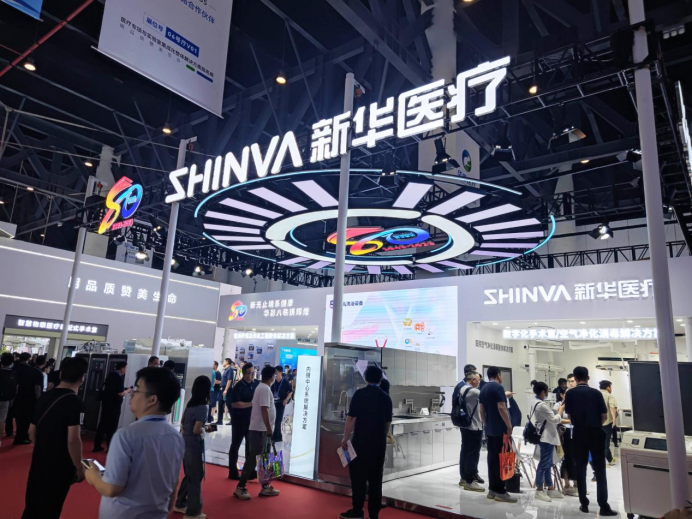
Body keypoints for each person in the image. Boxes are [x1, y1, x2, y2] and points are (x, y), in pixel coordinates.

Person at [85, 367, 185, 518]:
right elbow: (173, 483)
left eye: (137, 390)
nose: (132, 393)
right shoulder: (175, 437)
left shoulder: (126, 435)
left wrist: (93, 475)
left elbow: (111, 489)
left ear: (152, 400)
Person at [22, 356, 88, 519]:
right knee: (51, 505)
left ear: (60, 374)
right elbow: (73, 439)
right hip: (60, 464)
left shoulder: (45, 396)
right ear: (82, 379)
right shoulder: (75, 402)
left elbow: (31, 430)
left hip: (39, 459)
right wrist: (80, 467)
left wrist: (42, 447)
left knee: (33, 503)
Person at [339, 365, 392, 519]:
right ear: (380, 379)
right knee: (376, 478)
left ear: (365, 378)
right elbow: (388, 421)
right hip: (378, 443)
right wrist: (383, 435)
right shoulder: (385, 397)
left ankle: (357, 511)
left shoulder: (359, 394)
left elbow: (351, 418)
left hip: (360, 441)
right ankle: (374, 514)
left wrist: (345, 437)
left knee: (358, 477)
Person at [564, 366, 618, 516]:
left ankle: (584, 504)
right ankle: (604, 505)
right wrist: (596, 426)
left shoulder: (570, 394)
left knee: (580, 469)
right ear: (588, 378)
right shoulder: (596, 393)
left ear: (575, 378)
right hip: (595, 433)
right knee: (600, 470)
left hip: (578, 434)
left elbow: (569, 417)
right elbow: (604, 416)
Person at [233, 365, 279, 500]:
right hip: (260, 429)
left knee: (263, 458)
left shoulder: (262, 387)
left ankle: (265, 486)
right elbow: (264, 409)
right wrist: (269, 428)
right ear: (272, 377)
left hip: (262, 429)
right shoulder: (264, 389)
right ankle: (240, 487)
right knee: (253, 459)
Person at [173, 375, 211, 519]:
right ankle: (193, 511)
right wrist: (205, 429)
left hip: (184, 441)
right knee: (196, 476)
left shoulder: (190, 404)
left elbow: (183, 422)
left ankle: (180, 502)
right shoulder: (202, 407)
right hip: (193, 443)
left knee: (190, 473)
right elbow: (196, 430)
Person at [479, 366, 516, 503]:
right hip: (501, 430)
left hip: (490, 430)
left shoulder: (483, 389)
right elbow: (501, 407)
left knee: (492, 459)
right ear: (499, 375)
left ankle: (492, 490)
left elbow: (481, 410)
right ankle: (500, 491)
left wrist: (486, 424)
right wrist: (509, 426)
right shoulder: (498, 388)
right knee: (502, 460)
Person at [530, 380, 565, 503]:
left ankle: (550, 487)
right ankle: (539, 489)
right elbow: (554, 419)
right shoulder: (542, 405)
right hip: (546, 437)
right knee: (544, 463)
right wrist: (560, 411)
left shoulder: (534, 402)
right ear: (543, 392)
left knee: (548, 462)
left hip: (544, 436)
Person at [228, 363, 259, 480]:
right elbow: (235, 404)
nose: (252, 375)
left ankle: (249, 471)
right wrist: (251, 404)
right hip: (239, 420)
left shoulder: (256, 384)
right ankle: (232, 471)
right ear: (243, 373)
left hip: (252, 420)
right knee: (235, 445)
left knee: (250, 447)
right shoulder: (238, 386)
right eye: (249, 373)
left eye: (253, 373)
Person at [94, 362, 131, 452]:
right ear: (122, 368)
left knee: (102, 425)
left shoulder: (110, 375)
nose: (126, 370)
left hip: (106, 403)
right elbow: (120, 393)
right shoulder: (118, 377)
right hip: (114, 406)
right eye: (126, 368)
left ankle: (97, 446)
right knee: (112, 426)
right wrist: (128, 390)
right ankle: (110, 447)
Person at [459, 372, 484, 492]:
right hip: (474, 426)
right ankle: (470, 482)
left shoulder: (462, 388)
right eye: (478, 380)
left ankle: (464, 478)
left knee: (465, 452)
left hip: (465, 426)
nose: (479, 382)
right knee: (472, 455)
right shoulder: (474, 392)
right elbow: (488, 397)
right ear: (473, 380)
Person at [13, 352, 43, 445]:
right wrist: (39, 399)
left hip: (18, 397)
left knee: (19, 417)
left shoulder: (15, 368)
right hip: (30, 398)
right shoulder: (35, 372)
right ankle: (22, 437)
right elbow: (37, 388)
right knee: (26, 418)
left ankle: (20, 436)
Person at [556, 373, 578, 496]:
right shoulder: (560, 405)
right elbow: (557, 419)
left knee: (576, 459)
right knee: (567, 459)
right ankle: (567, 485)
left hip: (577, 433)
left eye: (573, 381)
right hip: (565, 434)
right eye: (569, 381)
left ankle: (577, 485)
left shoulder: (578, 401)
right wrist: (570, 420)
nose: (571, 383)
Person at [0, 352, 18, 448]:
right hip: (6, 399)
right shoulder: (13, 373)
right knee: (2, 419)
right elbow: (16, 388)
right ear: (12, 362)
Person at [271, 365, 293, 443]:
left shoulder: (284, 382)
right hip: (274, 403)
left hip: (281, 403)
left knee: (278, 420)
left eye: (276, 372)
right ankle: (276, 435)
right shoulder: (273, 382)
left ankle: (277, 436)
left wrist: (286, 399)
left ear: (280, 372)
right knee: (275, 419)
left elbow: (290, 391)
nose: (275, 374)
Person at [599, 380, 618, 466]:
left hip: (596, 423)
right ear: (608, 387)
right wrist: (614, 418)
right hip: (606, 423)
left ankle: (607, 459)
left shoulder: (596, 394)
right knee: (606, 443)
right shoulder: (609, 396)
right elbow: (612, 407)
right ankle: (608, 460)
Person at [217, 358, 234, 425]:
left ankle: (233, 420)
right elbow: (224, 380)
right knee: (220, 403)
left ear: (227, 362)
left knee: (229, 404)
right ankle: (219, 420)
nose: (223, 363)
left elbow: (229, 380)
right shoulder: (225, 370)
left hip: (227, 389)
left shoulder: (230, 369)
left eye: (224, 361)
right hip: (222, 388)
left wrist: (226, 390)